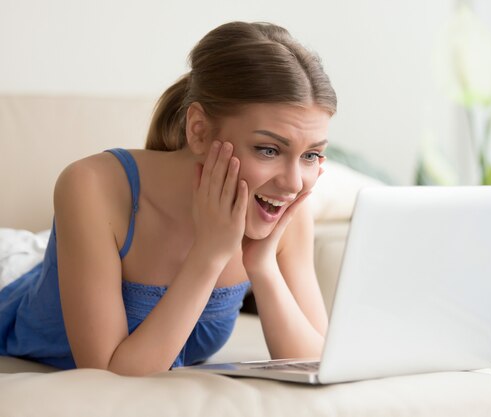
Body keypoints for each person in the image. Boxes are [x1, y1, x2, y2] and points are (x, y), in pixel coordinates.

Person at [0, 21, 336, 376]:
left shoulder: (284, 205)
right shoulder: (91, 185)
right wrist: (210, 254)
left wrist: (263, 265)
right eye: (268, 149)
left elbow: (318, 366)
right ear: (199, 131)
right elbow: (110, 378)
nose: (293, 182)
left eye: (311, 155)